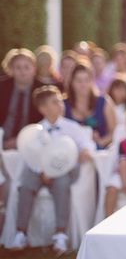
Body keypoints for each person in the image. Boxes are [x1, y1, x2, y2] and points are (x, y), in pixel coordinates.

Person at [9, 86, 96, 253]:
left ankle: (60, 234)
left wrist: (86, 150)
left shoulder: (72, 127)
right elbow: (31, 154)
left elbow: (86, 143)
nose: (60, 105)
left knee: (62, 183)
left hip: (65, 171)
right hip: (40, 171)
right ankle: (21, 232)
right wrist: (42, 171)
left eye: (60, 101)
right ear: (43, 108)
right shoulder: (36, 130)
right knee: (26, 183)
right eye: (55, 102)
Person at [64, 60, 116, 149]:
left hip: (100, 155)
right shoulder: (63, 105)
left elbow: (114, 133)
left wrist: (99, 143)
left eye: (87, 80)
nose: (83, 84)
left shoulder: (104, 102)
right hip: (73, 155)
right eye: (79, 80)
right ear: (71, 82)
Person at [0, 49, 43, 149]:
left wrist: (20, 140)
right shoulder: (2, 87)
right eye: (18, 67)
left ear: (34, 68)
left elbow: (43, 122)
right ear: (11, 69)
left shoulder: (42, 90)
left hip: (31, 142)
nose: (22, 71)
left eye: (26, 67)